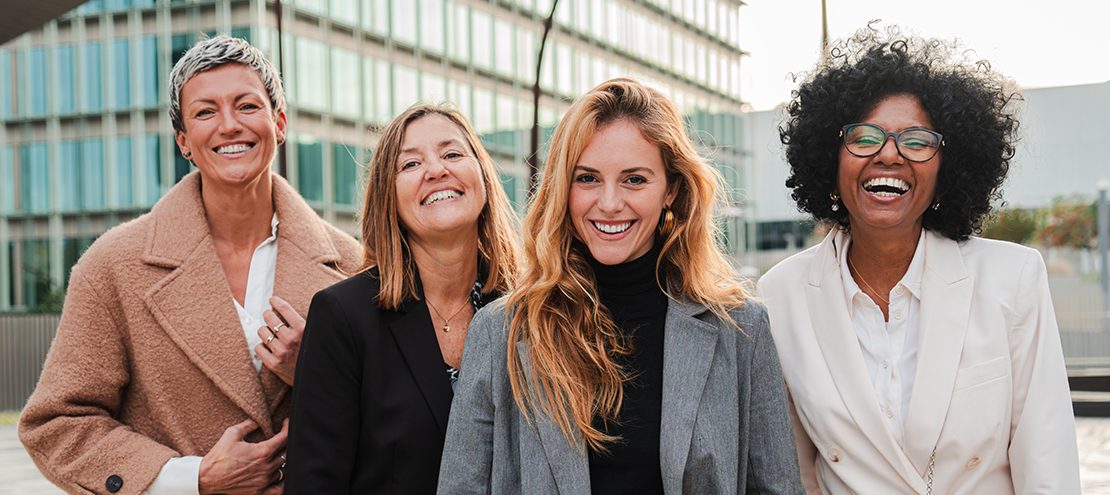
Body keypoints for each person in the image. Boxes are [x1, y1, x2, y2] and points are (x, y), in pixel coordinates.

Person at [18, 36, 361, 495]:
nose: (229, 125)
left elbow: (401, 415)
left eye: (246, 106)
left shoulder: (356, 265)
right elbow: (56, 424)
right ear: (184, 141)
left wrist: (318, 367)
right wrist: (192, 478)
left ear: (279, 124)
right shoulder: (113, 266)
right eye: (205, 112)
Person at [438, 78, 803, 494]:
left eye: (634, 179)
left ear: (672, 190)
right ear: (562, 188)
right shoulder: (502, 330)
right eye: (588, 178)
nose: (609, 203)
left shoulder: (742, 330)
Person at [759, 26, 1080, 494]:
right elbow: (794, 475)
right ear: (830, 157)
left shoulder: (1012, 279)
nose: (889, 155)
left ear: (948, 166)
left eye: (917, 141)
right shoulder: (779, 295)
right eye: (864, 137)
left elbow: (1047, 462)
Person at [283, 103, 520, 494]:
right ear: (387, 198)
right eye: (410, 165)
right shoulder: (343, 317)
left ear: (482, 176)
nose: (436, 170)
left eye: (452, 154)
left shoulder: (528, 312)